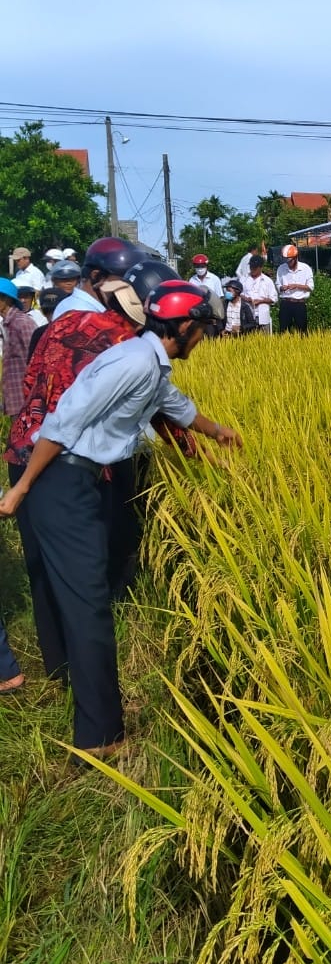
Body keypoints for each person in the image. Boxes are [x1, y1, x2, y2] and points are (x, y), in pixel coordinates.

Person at [0, 280, 242, 759]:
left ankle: (89, 711)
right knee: (89, 605)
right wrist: (22, 487)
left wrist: (219, 433)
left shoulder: (148, 363)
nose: (204, 339)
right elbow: (65, 417)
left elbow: (174, 405)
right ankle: (101, 738)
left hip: (77, 481)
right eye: (203, 331)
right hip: (61, 481)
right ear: (184, 327)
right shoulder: (134, 361)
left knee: (82, 599)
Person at [7, 259, 181, 680]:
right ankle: (93, 708)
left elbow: (33, 391)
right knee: (86, 580)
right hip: (67, 463)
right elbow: (145, 402)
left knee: (43, 566)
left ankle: (58, 669)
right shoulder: (118, 339)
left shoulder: (54, 324)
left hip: (25, 450)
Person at [53, 237, 145, 320]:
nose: (130, 289)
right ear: (97, 276)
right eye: (123, 282)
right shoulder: (80, 314)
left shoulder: (91, 309)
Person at [0, 277, 38, 415]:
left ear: (7, 299)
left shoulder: (22, 323)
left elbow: (36, 359)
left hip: (26, 400)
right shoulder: (7, 323)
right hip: (15, 399)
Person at [275, 244, 314, 333]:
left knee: (302, 332)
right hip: (285, 303)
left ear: (295, 257)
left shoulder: (305, 268)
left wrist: (296, 286)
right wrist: (281, 288)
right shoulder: (281, 268)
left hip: (299, 304)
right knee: (283, 332)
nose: (288, 263)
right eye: (286, 260)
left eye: (290, 261)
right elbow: (277, 284)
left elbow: (310, 287)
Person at [241, 255, 277, 332]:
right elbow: (238, 294)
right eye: (251, 267)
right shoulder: (243, 279)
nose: (252, 269)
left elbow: (274, 299)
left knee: (265, 341)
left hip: (263, 317)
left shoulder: (267, 281)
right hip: (247, 317)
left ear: (261, 267)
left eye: (255, 268)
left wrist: (261, 301)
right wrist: (246, 299)